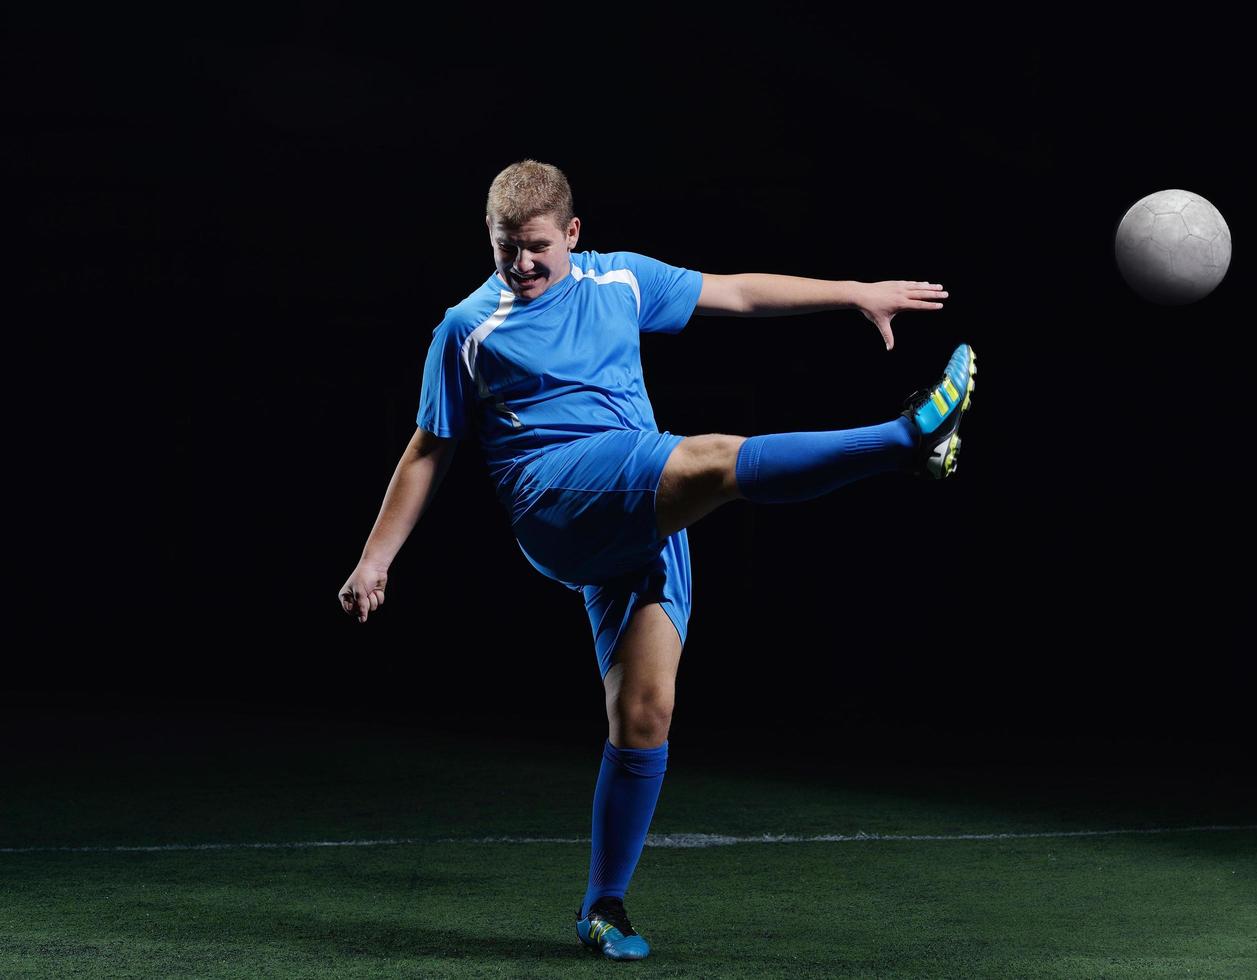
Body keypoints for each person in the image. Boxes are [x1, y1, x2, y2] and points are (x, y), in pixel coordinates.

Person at [337, 159, 974, 961]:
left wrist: (854, 291)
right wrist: (375, 561)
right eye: (506, 249)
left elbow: (736, 291)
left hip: (640, 507)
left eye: (536, 247)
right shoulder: (468, 327)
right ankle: (905, 438)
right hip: (557, 500)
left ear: (572, 234)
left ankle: (602, 907)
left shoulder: (621, 282)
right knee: (709, 457)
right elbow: (429, 448)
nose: (522, 264)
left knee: (644, 716)